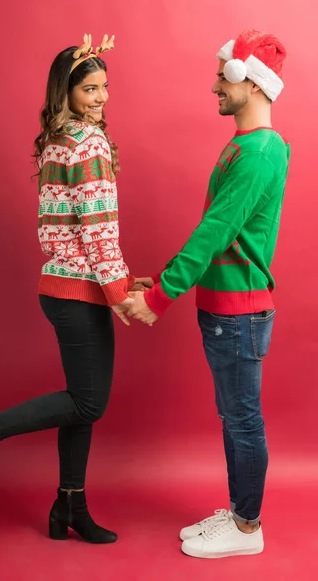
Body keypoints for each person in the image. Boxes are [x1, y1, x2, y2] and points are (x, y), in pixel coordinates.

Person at [0, 34, 142, 545]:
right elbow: (93, 228)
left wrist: (119, 276)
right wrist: (120, 294)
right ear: (64, 92)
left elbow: (78, 224)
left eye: (105, 87)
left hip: (66, 284)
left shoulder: (59, 139)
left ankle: (69, 505)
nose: (100, 97)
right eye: (89, 89)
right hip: (78, 291)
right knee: (89, 404)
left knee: (80, 401)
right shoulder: (86, 143)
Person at [131, 29, 290, 558]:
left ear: (251, 80)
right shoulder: (247, 146)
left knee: (242, 418)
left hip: (239, 314)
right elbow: (223, 235)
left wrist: (159, 299)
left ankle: (247, 528)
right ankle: (240, 513)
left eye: (224, 75)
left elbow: (215, 231)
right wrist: (165, 281)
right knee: (234, 416)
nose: (215, 85)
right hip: (225, 311)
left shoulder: (260, 152)